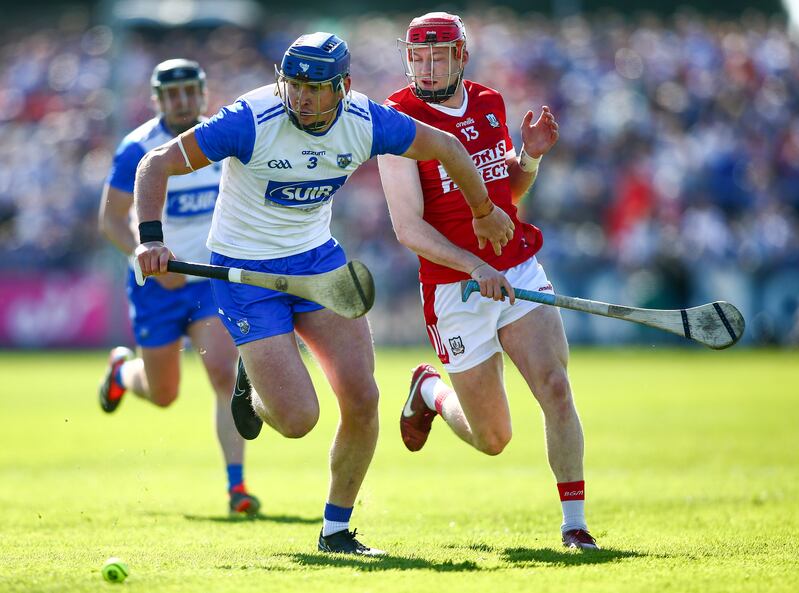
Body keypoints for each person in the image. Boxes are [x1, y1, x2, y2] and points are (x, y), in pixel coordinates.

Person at [132, 33, 515, 555]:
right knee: (298, 420)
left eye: (315, 88)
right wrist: (151, 240)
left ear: (344, 87)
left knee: (363, 397)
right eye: (294, 85)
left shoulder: (366, 121)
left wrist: (483, 210)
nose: (302, 98)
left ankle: (337, 531)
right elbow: (155, 164)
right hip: (246, 275)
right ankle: (256, 387)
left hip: (318, 262)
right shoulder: (250, 120)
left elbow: (447, 147)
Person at [377, 12, 599, 550]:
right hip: (457, 288)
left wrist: (530, 157)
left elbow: (507, 198)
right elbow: (408, 229)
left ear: (460, 57)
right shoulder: (395, 121)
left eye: (437, 57)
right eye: (417, 57)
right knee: (493, 437)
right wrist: (475, 267)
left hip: (517, 267)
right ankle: (429, 391)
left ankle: (575, 525)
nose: (426, 68)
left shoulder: (488, 103)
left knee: (556, 386)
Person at [97, 59, 261, 516]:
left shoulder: (219, 139)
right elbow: (110, 219)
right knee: (163, 393)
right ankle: (122, 374)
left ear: (203, 93)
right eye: (172, 94)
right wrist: (145, 255)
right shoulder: (137, 148)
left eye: (191, 91)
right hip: (155, 285)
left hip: (206, 281)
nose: (183, 100)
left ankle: (237, 487)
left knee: (225, 376)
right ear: (157, 99)